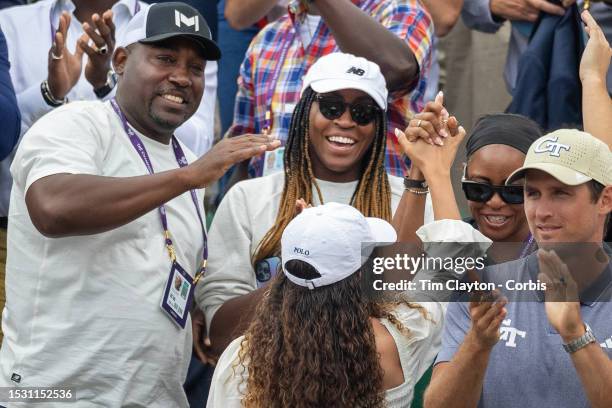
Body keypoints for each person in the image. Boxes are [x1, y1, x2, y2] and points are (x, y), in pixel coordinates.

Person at [0, 3, 279, 406]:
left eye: (196, 68)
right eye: (165, 59)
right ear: (121, 60)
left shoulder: (185, 159)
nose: (182, 77)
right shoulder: (77, 122)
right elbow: (53, 208)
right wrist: (189, 178)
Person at [196, 53, 436, 357]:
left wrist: (430, 173)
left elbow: (430, 317)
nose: (346, 121)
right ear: (305, 111)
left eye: (363, 112)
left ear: (378, 125)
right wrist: (299, 270)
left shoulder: (411, 200)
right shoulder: (248, 198)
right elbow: (220, 335)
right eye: (331, 106)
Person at [425, 129, 612, 408]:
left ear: (605, 200)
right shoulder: (484, 288)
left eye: (560, 193)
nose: (541, 211)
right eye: (532, 193)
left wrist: (576, 334)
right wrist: (478, 342)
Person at [228, 0, 434, 181]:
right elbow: (246, 158)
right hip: (276, 215)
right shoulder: (268, 36)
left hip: (370, 214)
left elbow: (395, 70)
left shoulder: (401, 9)